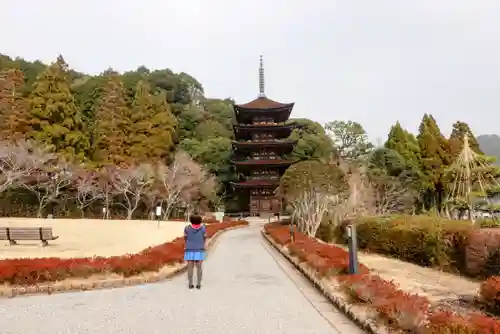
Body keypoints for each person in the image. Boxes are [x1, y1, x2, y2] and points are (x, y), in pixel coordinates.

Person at [184, 215, 207, 289]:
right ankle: (198, 284)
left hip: (189, 250)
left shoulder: (187, 228)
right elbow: (205, 237)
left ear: (191, 220)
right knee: (199, 268)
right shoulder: (203, 228)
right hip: (199, 250)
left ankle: (190, 284)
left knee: (190, 267)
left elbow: (185, 238)